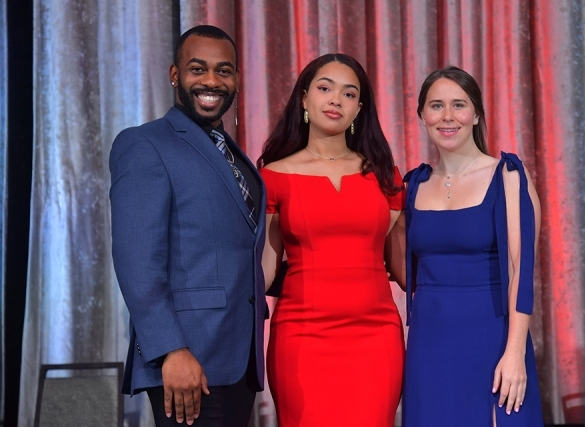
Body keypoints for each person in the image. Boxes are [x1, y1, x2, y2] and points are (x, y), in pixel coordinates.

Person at [109, 25, 266, 427]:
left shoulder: (232, 154)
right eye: (198, 69)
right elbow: (137, 261)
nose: (211, 81)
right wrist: (170, 350)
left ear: (237, 79)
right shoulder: (145, 144)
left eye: (223, 70)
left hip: (238, 359)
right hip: (186, 361)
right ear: (175, 74)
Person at [258, 53, 405, 426]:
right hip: (301, 338)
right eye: (325, 88)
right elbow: (264, 269)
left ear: (359, 109)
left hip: (376, 338)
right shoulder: (273, 177)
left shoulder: (385, 176)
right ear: (304, 99)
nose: (336, 99)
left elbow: (403, 267)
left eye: (349, 93)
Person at [399, 66, 544, 426]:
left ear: (476, 114)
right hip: (428, 346)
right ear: (422, 116)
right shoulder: (413, 185)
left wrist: (515, 353)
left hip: (492, 340)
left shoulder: (507, 175)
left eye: (459, 105)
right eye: (436, 106)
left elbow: (520, 270)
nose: (447, 116)